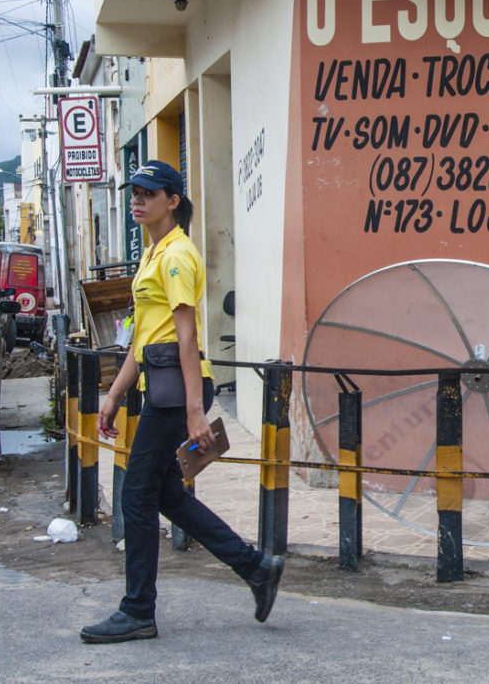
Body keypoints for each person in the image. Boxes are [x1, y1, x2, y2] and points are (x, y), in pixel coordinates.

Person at [80, 161, 284, 644]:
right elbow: (143, 341)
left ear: (172, 201)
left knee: (136, 495)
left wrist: (196, 410)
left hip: (178, 392)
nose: (138, 199)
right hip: (165, 384)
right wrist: (113, 395)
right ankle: (256, 567)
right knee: (166, 493)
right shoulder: (154, 255)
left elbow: (187, 336)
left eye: (149, 193)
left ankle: (137, 611)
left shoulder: (175, 257)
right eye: (135, 191)